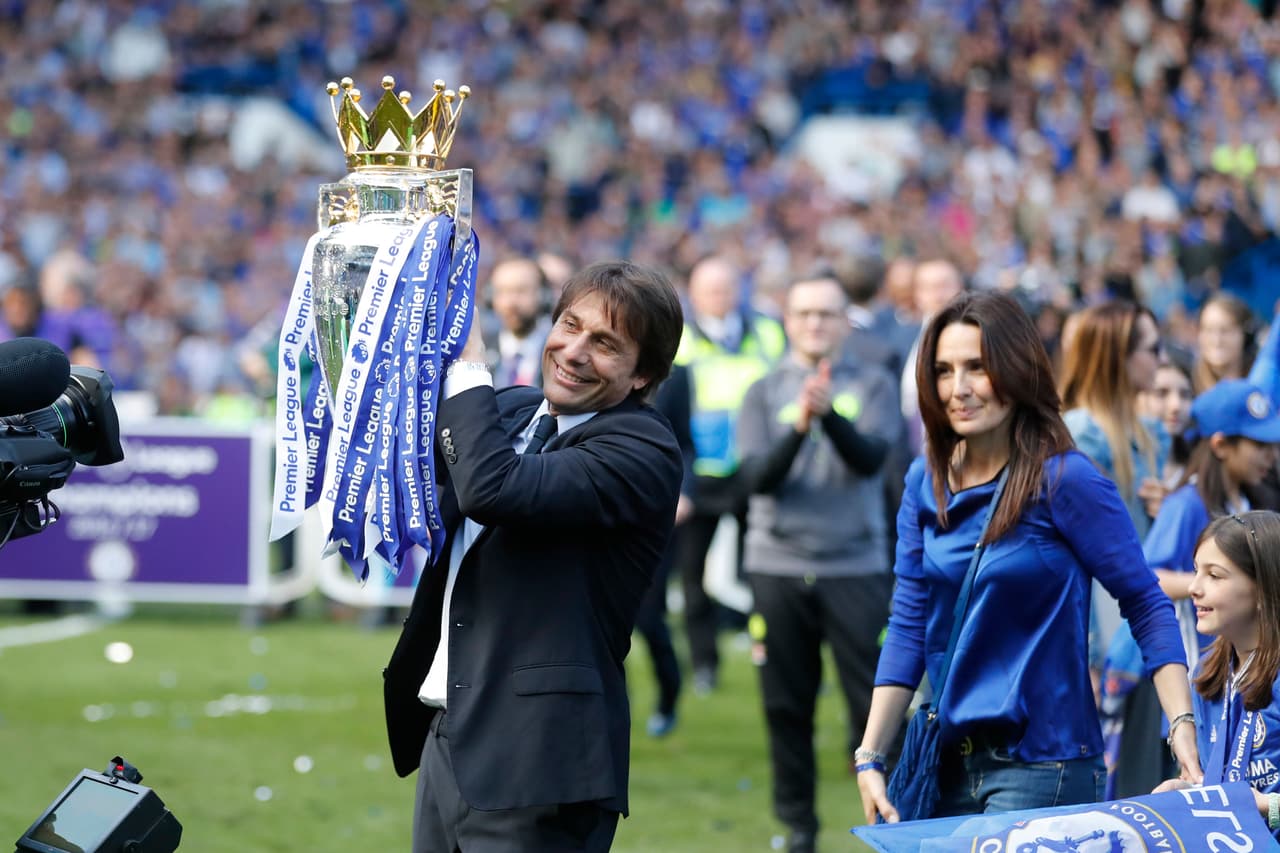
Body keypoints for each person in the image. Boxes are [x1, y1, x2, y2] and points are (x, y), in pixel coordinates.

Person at [855, 290, 1199, 823]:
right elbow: (908, 624)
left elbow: (1145, 603)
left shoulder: (1066, 479)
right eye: (944, 371)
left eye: (977, 367)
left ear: (1015, 371)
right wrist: (871, 755)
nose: (959, 389)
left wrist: (1182, 727)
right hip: (945, 761)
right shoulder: (925, 481)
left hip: (1045, 768)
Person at [383, 260, 685, 853]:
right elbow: (401, 460)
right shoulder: (516, 411)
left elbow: (495, 490)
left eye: (604, 343)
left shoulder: (644, 445)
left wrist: (469, 366)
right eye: (570, 325)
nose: (573, 351)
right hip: (450, 734)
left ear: (643, 374)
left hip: (541, 761)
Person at [737, 276, 901, 853]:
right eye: (804, 313)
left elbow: (873, 461)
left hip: (854, 564)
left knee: (873, 705)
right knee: (787, 704)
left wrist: (829, 417)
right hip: (777, 565)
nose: (814, 324)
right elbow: (756, 479)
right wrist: (801, 423)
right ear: (788, 320)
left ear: (843, 324)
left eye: (826, 315)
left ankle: (891, 822)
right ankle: (798, 827)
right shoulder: (762, 390)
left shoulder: (875, 384)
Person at [1104, 378, 1280, 797]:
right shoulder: (1186, 502)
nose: (1270, 455)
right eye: (1257, 444)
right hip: (1174, 674)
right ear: (1220, 444)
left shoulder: (1244, 504)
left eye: (1214, 575)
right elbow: (1150, 581)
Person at [673, 254, 786, 694]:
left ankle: (772, 652)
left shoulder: (768, 332)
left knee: (765, 570)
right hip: (700, 473)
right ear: (695, 294)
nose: (719, 297)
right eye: (710, 290)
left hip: (754, 470)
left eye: (725, 287)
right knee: (692, 574)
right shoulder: (678, 338)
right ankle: (704, 663)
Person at [1155, 511, 1280, 842]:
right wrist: (1185, 791)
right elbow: (1221, 783)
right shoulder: (1209, 674)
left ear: (1262, 588)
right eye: (1196, 571)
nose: (1194, 588)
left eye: (1215, 575)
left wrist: (1269, 806)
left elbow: (1259, 802)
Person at [483, 256, 554, 388]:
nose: (511, 303)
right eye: (502, 292)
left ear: (544, 296)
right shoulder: (479, 350)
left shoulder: (558, 354)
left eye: (521, 291)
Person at [1193, 292, 1259, 394]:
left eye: (1225, 331)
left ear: (1246, 335)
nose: (1217, 340)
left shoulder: (1260, 386)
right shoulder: (1187, 386)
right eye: (1208, 330)